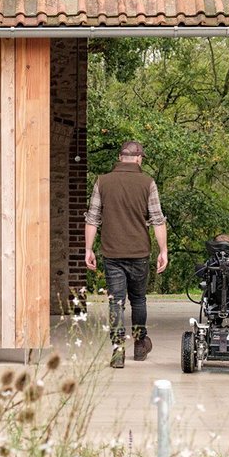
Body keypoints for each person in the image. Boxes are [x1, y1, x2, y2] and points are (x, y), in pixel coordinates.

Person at [84, 141, 168, 368]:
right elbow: (157, 219)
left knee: (116, 303)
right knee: (138, 300)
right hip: (139, 251)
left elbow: (92, 218)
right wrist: (163, 250)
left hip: (112, 252)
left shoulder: (102, 181)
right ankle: (140, 344)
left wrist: (88, 249)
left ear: (120, 157)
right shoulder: (147, 182)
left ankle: (117, 349)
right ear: (139, 158)